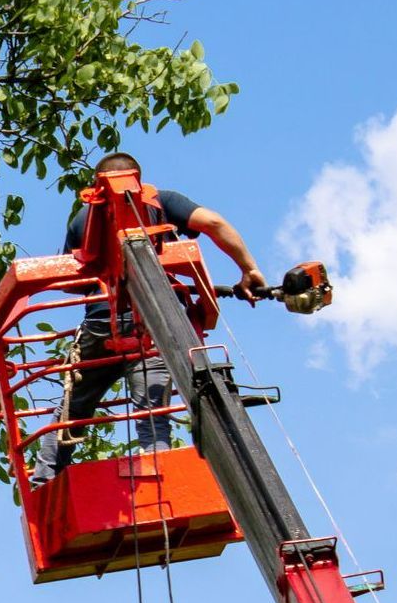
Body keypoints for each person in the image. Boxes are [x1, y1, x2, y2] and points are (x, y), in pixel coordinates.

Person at [31, 153, 267, 485]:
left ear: (96, 186)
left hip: (100, 328)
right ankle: (159, 482)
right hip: (152, 326)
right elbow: (214, 223)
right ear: (138, 179)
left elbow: (71, 280)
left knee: (72, 412)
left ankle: (44, 483)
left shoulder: (84, 219)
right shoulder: (163, 201)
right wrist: (248, 268)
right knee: (153, 414)